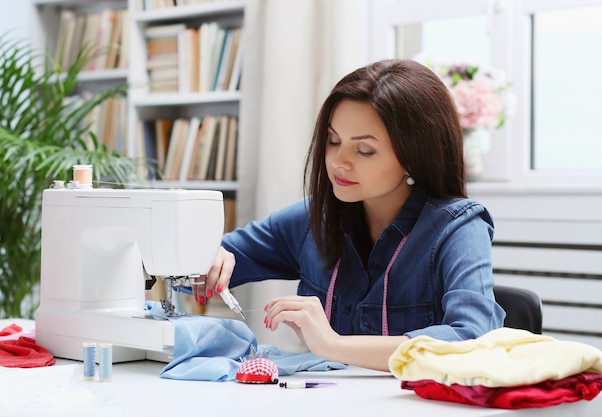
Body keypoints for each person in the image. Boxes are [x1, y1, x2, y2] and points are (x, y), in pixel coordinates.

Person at [194, 58, 505, 372]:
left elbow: (471, 342)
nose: (338, 162)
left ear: (414, 156)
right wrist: (206, 257)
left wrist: (333, 345)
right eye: (333, 141)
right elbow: (189, 267)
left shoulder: (458, 229)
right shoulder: (312, 220)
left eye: (364, 150)